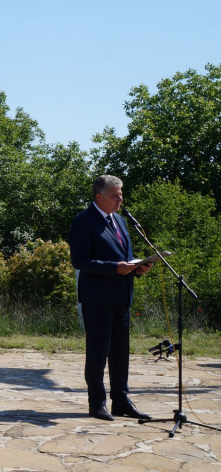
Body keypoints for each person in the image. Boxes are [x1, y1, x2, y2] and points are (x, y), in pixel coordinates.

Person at [69, 175, 152, 421]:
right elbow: (80, 261)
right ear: (99, 197)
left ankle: (121, 401)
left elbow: (125, 255)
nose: (120, 199)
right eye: (115, 195)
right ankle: (97, 403)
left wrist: (137, 268)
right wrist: (115, 267)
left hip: (121, 297)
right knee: (98, 352)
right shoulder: (84, 222)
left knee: (120, 353)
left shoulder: (121, 221)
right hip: (97, 299)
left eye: (121, 193)